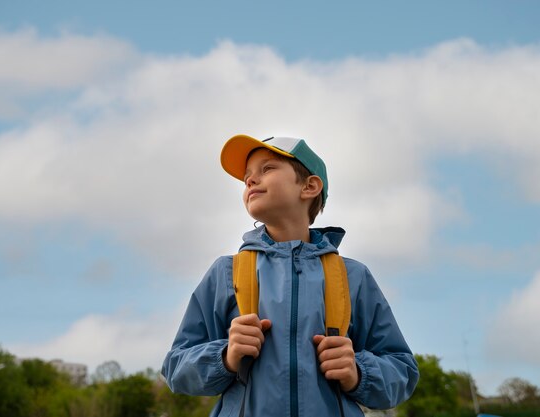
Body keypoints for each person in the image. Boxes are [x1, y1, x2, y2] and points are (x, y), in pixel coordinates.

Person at [162, 134, 419, 416]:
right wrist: (225, 356)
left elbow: (402, 369)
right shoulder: (225, 272)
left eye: (267, 169)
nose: (250, 180)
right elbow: (175, 367)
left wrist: (357, 371)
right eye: (247, 176)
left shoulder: (353, 277)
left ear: (309, 186)